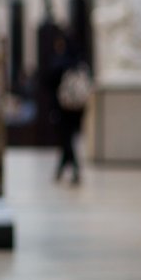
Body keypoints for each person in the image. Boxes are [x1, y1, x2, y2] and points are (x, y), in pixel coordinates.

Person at [48, 32, 88, 184]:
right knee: (68, 139)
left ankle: (74, 167)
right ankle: (62, 168)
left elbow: (49, 79)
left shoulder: (61, 62)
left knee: (66, 139)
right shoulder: (78, 61)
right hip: (77, 108)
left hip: (63, 107)